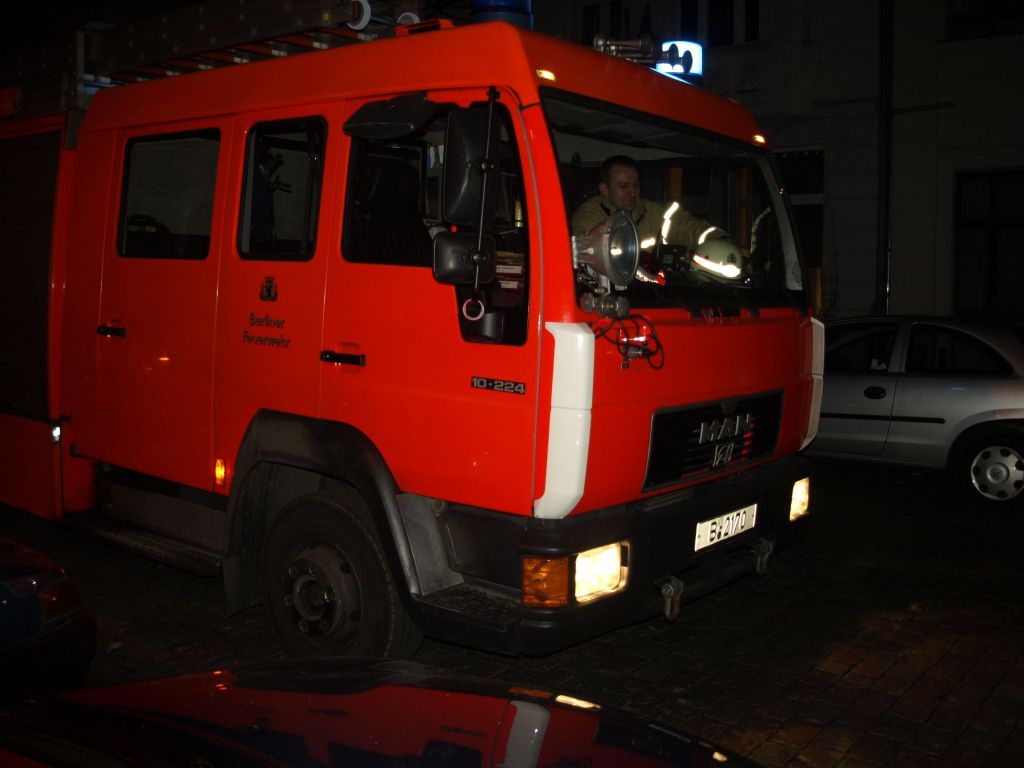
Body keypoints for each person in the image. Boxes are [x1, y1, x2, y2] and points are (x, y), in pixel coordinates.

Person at [571, 155, 725, 253]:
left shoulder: (650, 211)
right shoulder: (588, 215)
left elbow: (687, 227)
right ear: (605, 189)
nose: (632, 192)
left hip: (652, 290)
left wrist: (721, 241)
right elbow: (592, 250)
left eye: (636, 185)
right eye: (623, 186)